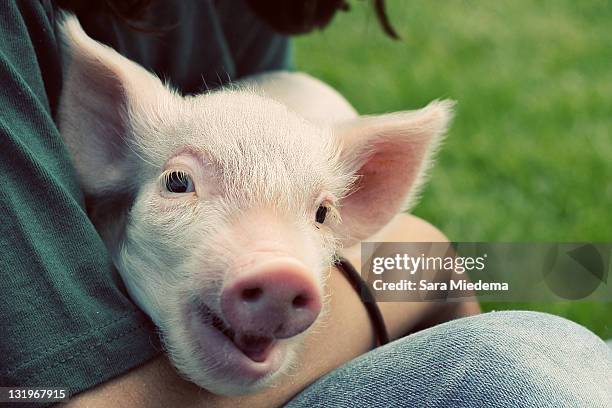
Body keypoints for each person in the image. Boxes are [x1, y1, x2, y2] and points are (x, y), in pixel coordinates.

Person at [0, 1, 610, 407]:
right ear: (106, 130)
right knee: (524, 360)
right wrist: (416, 258)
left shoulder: (243, 20)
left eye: (323, 215)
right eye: (182, 184)